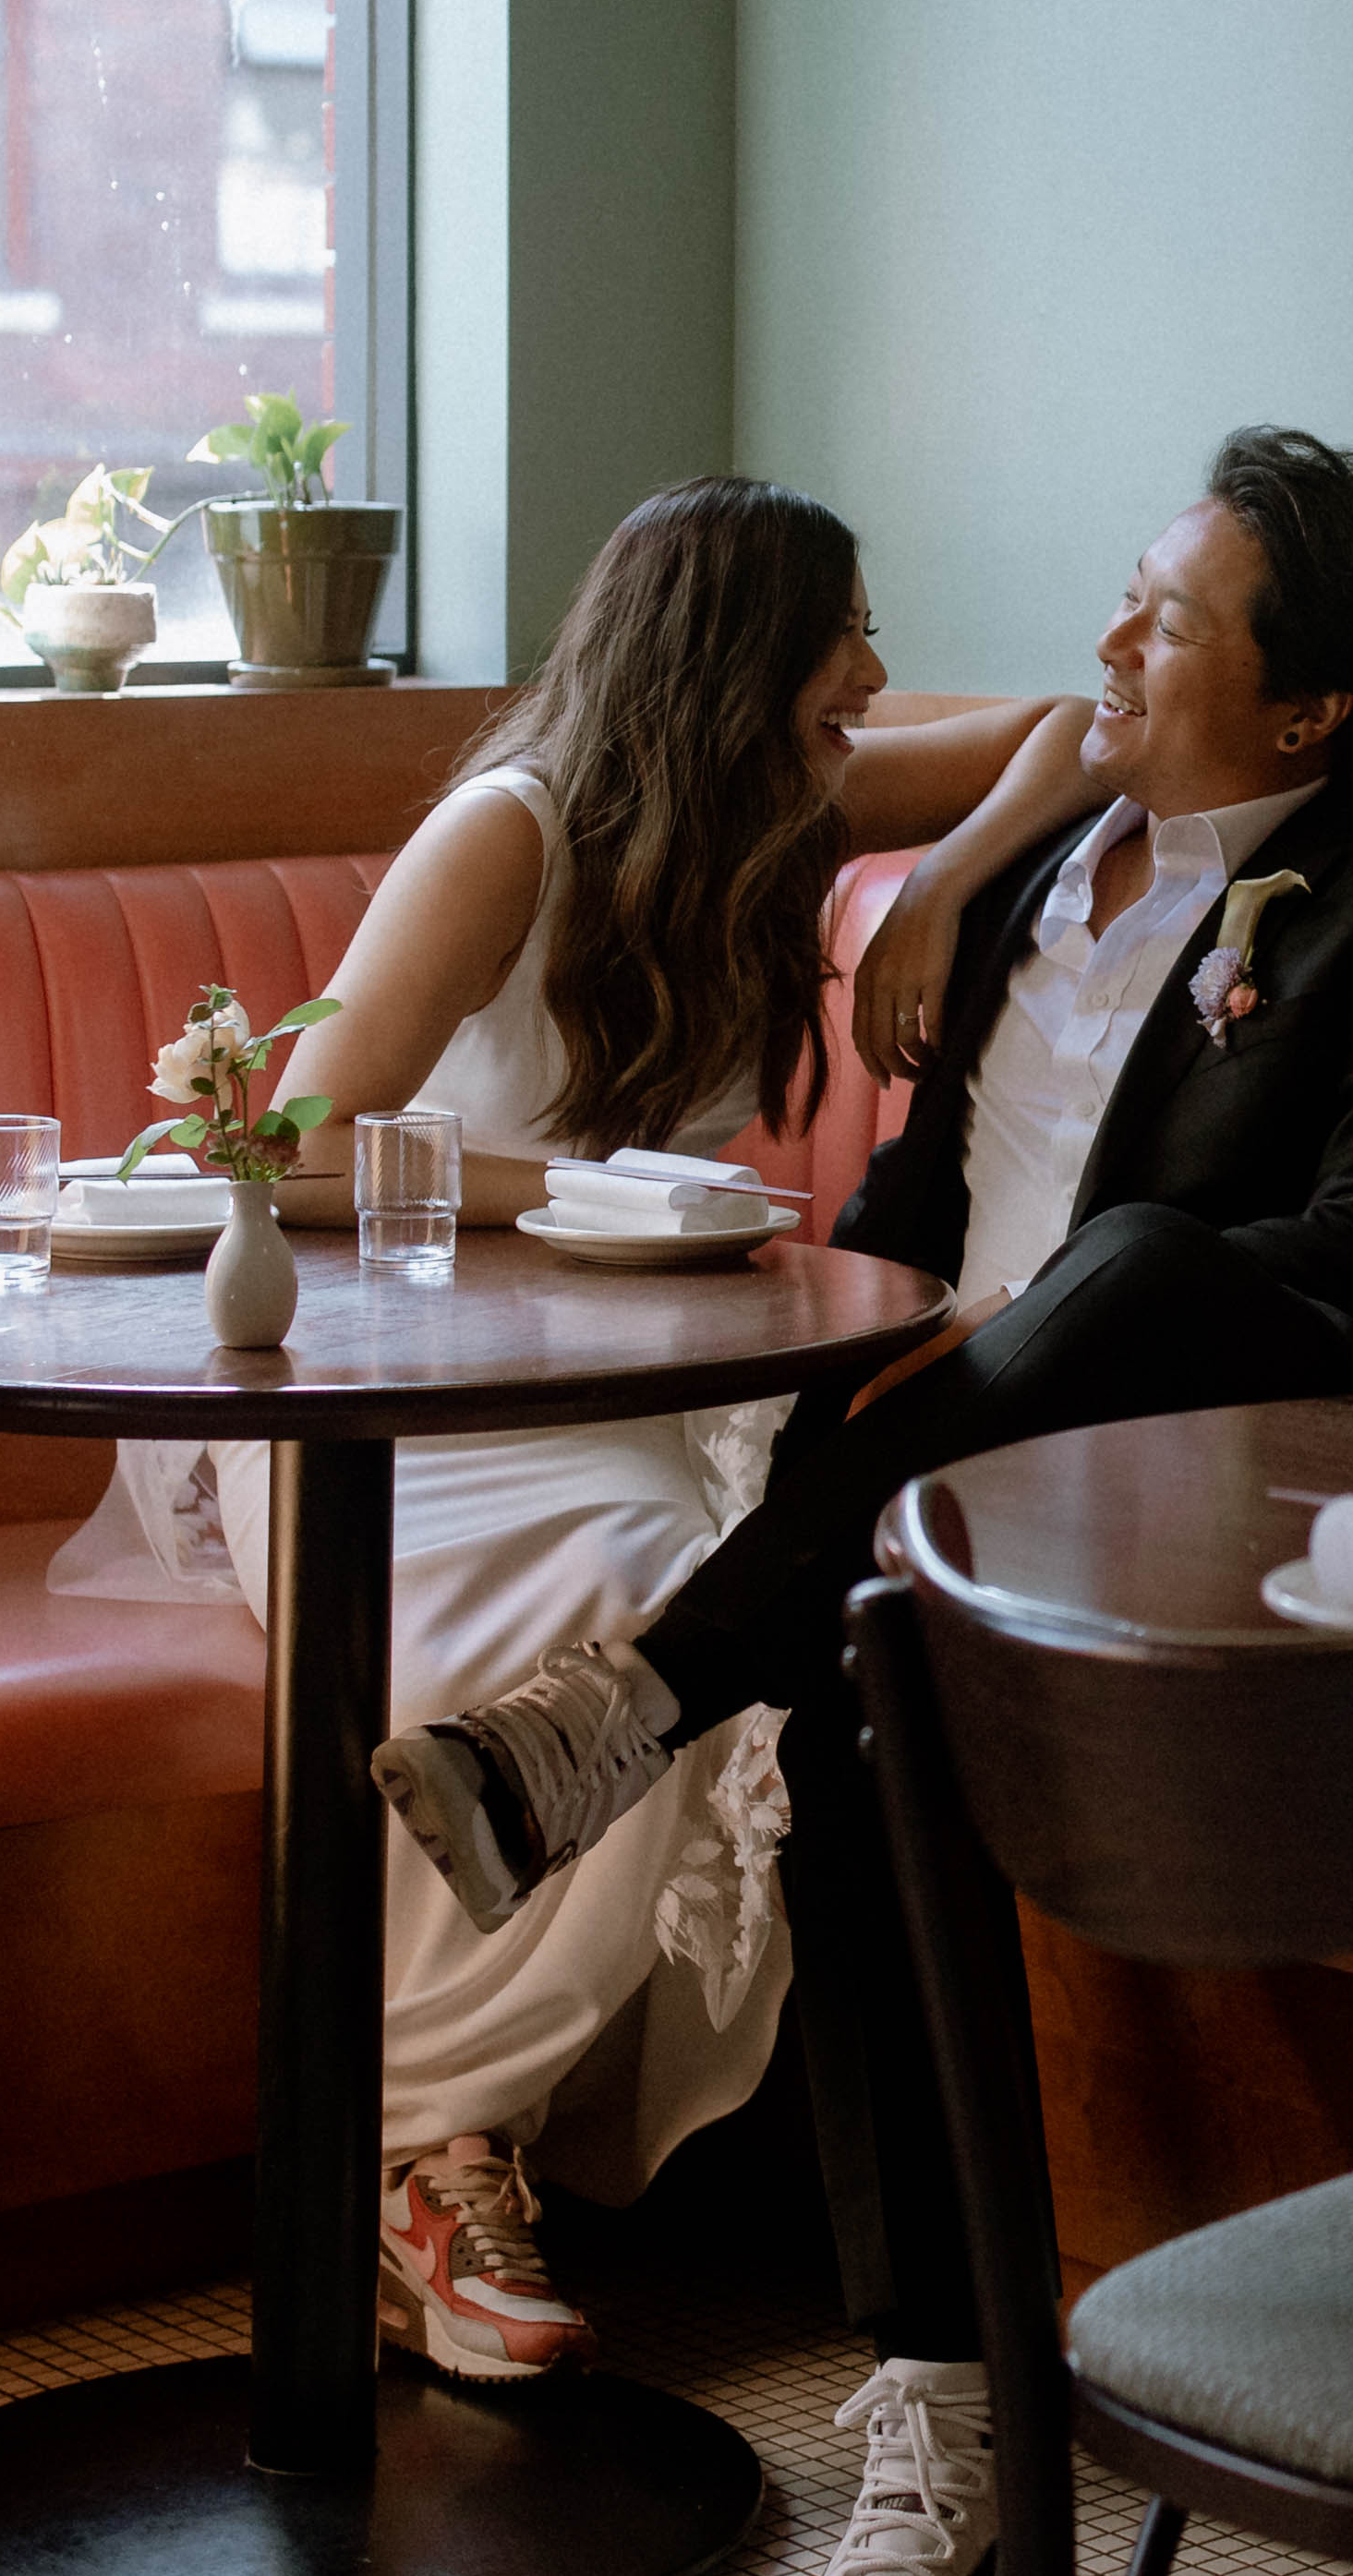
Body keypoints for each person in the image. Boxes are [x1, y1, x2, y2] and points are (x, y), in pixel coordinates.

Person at [367, 427, 1353, 2576]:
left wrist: (1074, 1313)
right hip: (936, 1518)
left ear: (1308, 712)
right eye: (1121, 597)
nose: (1106, 642)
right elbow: (901, 1231)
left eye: (1167, 620)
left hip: (1236, 1485)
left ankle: (635, 1699)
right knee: (861, 1694)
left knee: (1114, 1275)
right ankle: (949, 2410)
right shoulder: (1016, 897)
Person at [70, 480, 1083, 2395]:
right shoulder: (506, 832)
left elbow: (1065, 736)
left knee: (733, 1612)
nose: (868, 675)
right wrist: (585, 1190)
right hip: (391, 1389)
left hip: (637, 1383)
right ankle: (426, 2149)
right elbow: (285, 1149)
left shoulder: (774, 811)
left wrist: (941, 885)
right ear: (726, 662)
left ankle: (478, 2129)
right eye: (836, 637)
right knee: (629, 1612)